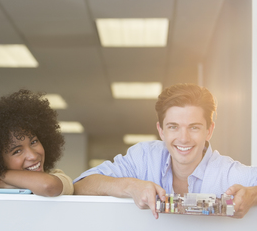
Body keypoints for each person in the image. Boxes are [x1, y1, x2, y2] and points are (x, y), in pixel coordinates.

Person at [74, 83, 257, 219]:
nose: (183, 138)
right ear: (161, 130)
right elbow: (81, 185)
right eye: (173, 127)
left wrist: (252, 195)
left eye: (194, 127)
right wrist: (131, 186)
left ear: (209, 130)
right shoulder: (143, 158)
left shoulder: (228, 173)